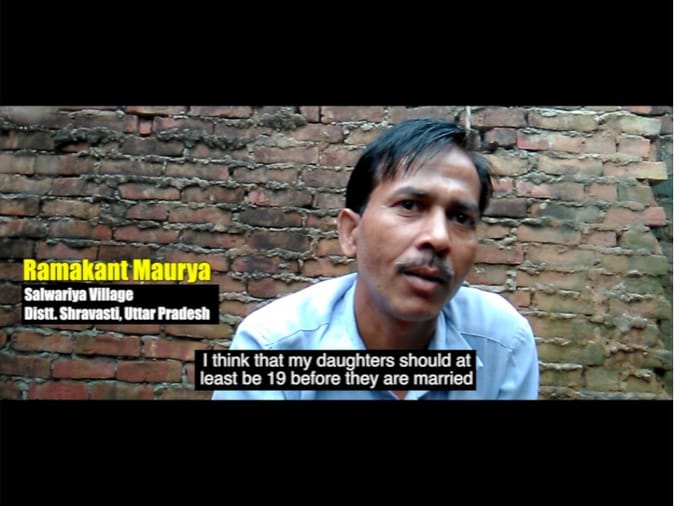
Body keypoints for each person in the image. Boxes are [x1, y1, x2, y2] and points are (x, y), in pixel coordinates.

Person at [212, 118, 539, 400]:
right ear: (351, 233)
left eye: (460, 218)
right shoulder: (270, 347)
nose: (439, 238)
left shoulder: (503, 345)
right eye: (410, 205)